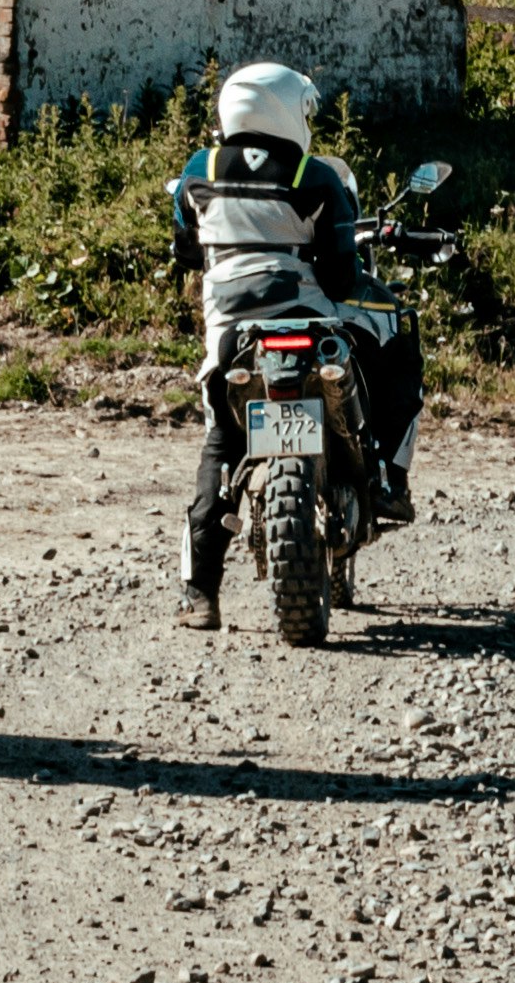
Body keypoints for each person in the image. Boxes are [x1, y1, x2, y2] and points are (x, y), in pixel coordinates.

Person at [168, 61, 424, 626]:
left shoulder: (197, 169)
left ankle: (201, 595)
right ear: (284, 110)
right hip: (308, 321)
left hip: (231, 335)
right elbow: (340, 277)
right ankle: (387, 479)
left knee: (221, 445)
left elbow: (184, 249)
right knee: (397, 342)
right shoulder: (314, 175)